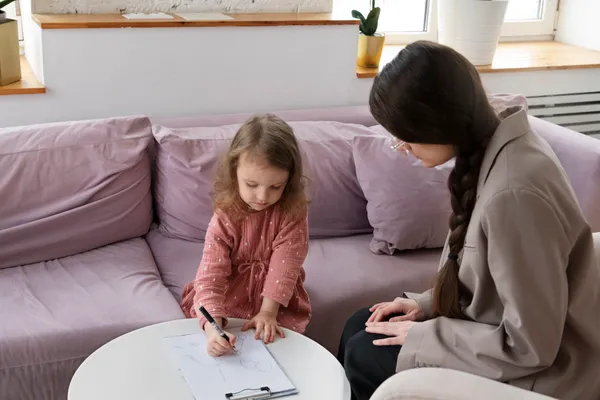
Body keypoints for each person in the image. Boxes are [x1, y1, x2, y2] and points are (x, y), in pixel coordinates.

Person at [338, 40, 600, 400]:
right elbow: (488, 286)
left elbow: (531, 346)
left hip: (545, 371)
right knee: (361, 323)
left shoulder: (514, 195)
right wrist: (425, 306)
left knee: (364, 353)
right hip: (493, 332)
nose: (402, 145)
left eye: (405, 135)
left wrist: (426, 337)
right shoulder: (493, 150)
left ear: (437, 121)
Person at [180, 113, 311, 357]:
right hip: (231, 293)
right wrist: (213, 328)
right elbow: (211, 275)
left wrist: (268, 312)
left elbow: (286, 266)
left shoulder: (292, 213)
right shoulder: (226, 215)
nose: (262, 196)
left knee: (280, 348)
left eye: (275, 187)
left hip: (274, 298)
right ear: (234, 172)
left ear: (289, 180)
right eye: (252, 185)